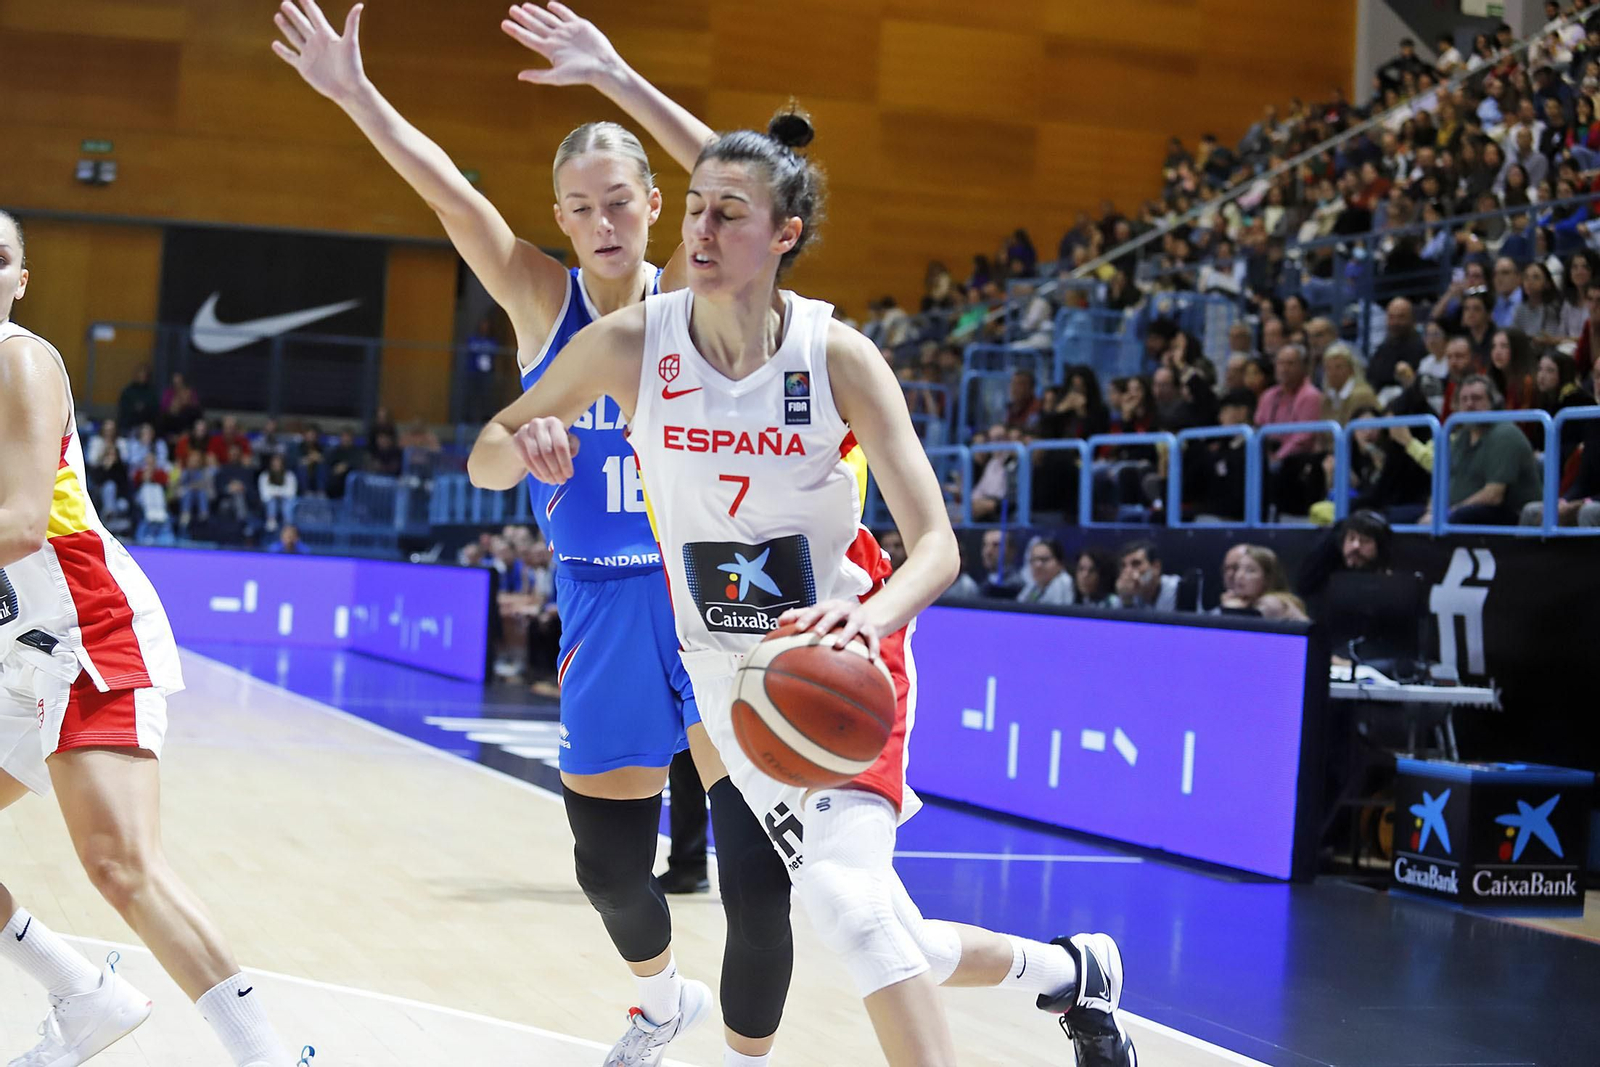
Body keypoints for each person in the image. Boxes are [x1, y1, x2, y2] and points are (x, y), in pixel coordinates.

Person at [469, 111, 1136, 1067]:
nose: (699, 231)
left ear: (784, 235)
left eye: (727, 213)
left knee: (847, 908)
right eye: (693, 210)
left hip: (839, 649)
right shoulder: (631, 342)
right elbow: (491, 452)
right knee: (880, 923)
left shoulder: (838, 356)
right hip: (719, 671)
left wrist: (869, 617)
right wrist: (523, 441)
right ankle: (1071, 974)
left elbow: (937, 546)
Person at [276, 3, 794, 1063]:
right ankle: (659, 1002)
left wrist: (610, 73)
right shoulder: (538, 299)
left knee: (753, 870)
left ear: (658, 204)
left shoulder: (706, 298)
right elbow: (447, 196)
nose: (602, 222)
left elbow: (756, 184)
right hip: (600, 599)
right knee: (607, 868)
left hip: (715, 599)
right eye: (579, 207)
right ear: (560, 217)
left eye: (619, 201)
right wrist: (355, 95)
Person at [0, 210, 302, 1066]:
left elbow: (23, 524)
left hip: (83, 627)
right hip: (16, 647)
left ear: (21, 280)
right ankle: (81, 993)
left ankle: (266, 1057)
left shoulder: (18, 357)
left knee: (119, 863)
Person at [1429, 375, 1544, 525]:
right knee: (1399, 515)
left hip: (1507, 514)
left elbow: (1493, 496)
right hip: (1461, 511)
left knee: (1459, 517)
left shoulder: (1505, 433)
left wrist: (1448, 513)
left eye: (1476, 398)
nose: (1469, 404)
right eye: (1464, 399)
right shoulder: (1461, 436)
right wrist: (1431, 511)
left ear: (1493, 402)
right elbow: (1441, 483)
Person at [1017, 539, 1073, 605]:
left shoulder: (1063, 582)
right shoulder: (1035, 585)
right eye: (1033, 559)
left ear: (1060, 564)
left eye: (1044, 559)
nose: (1037, 565)